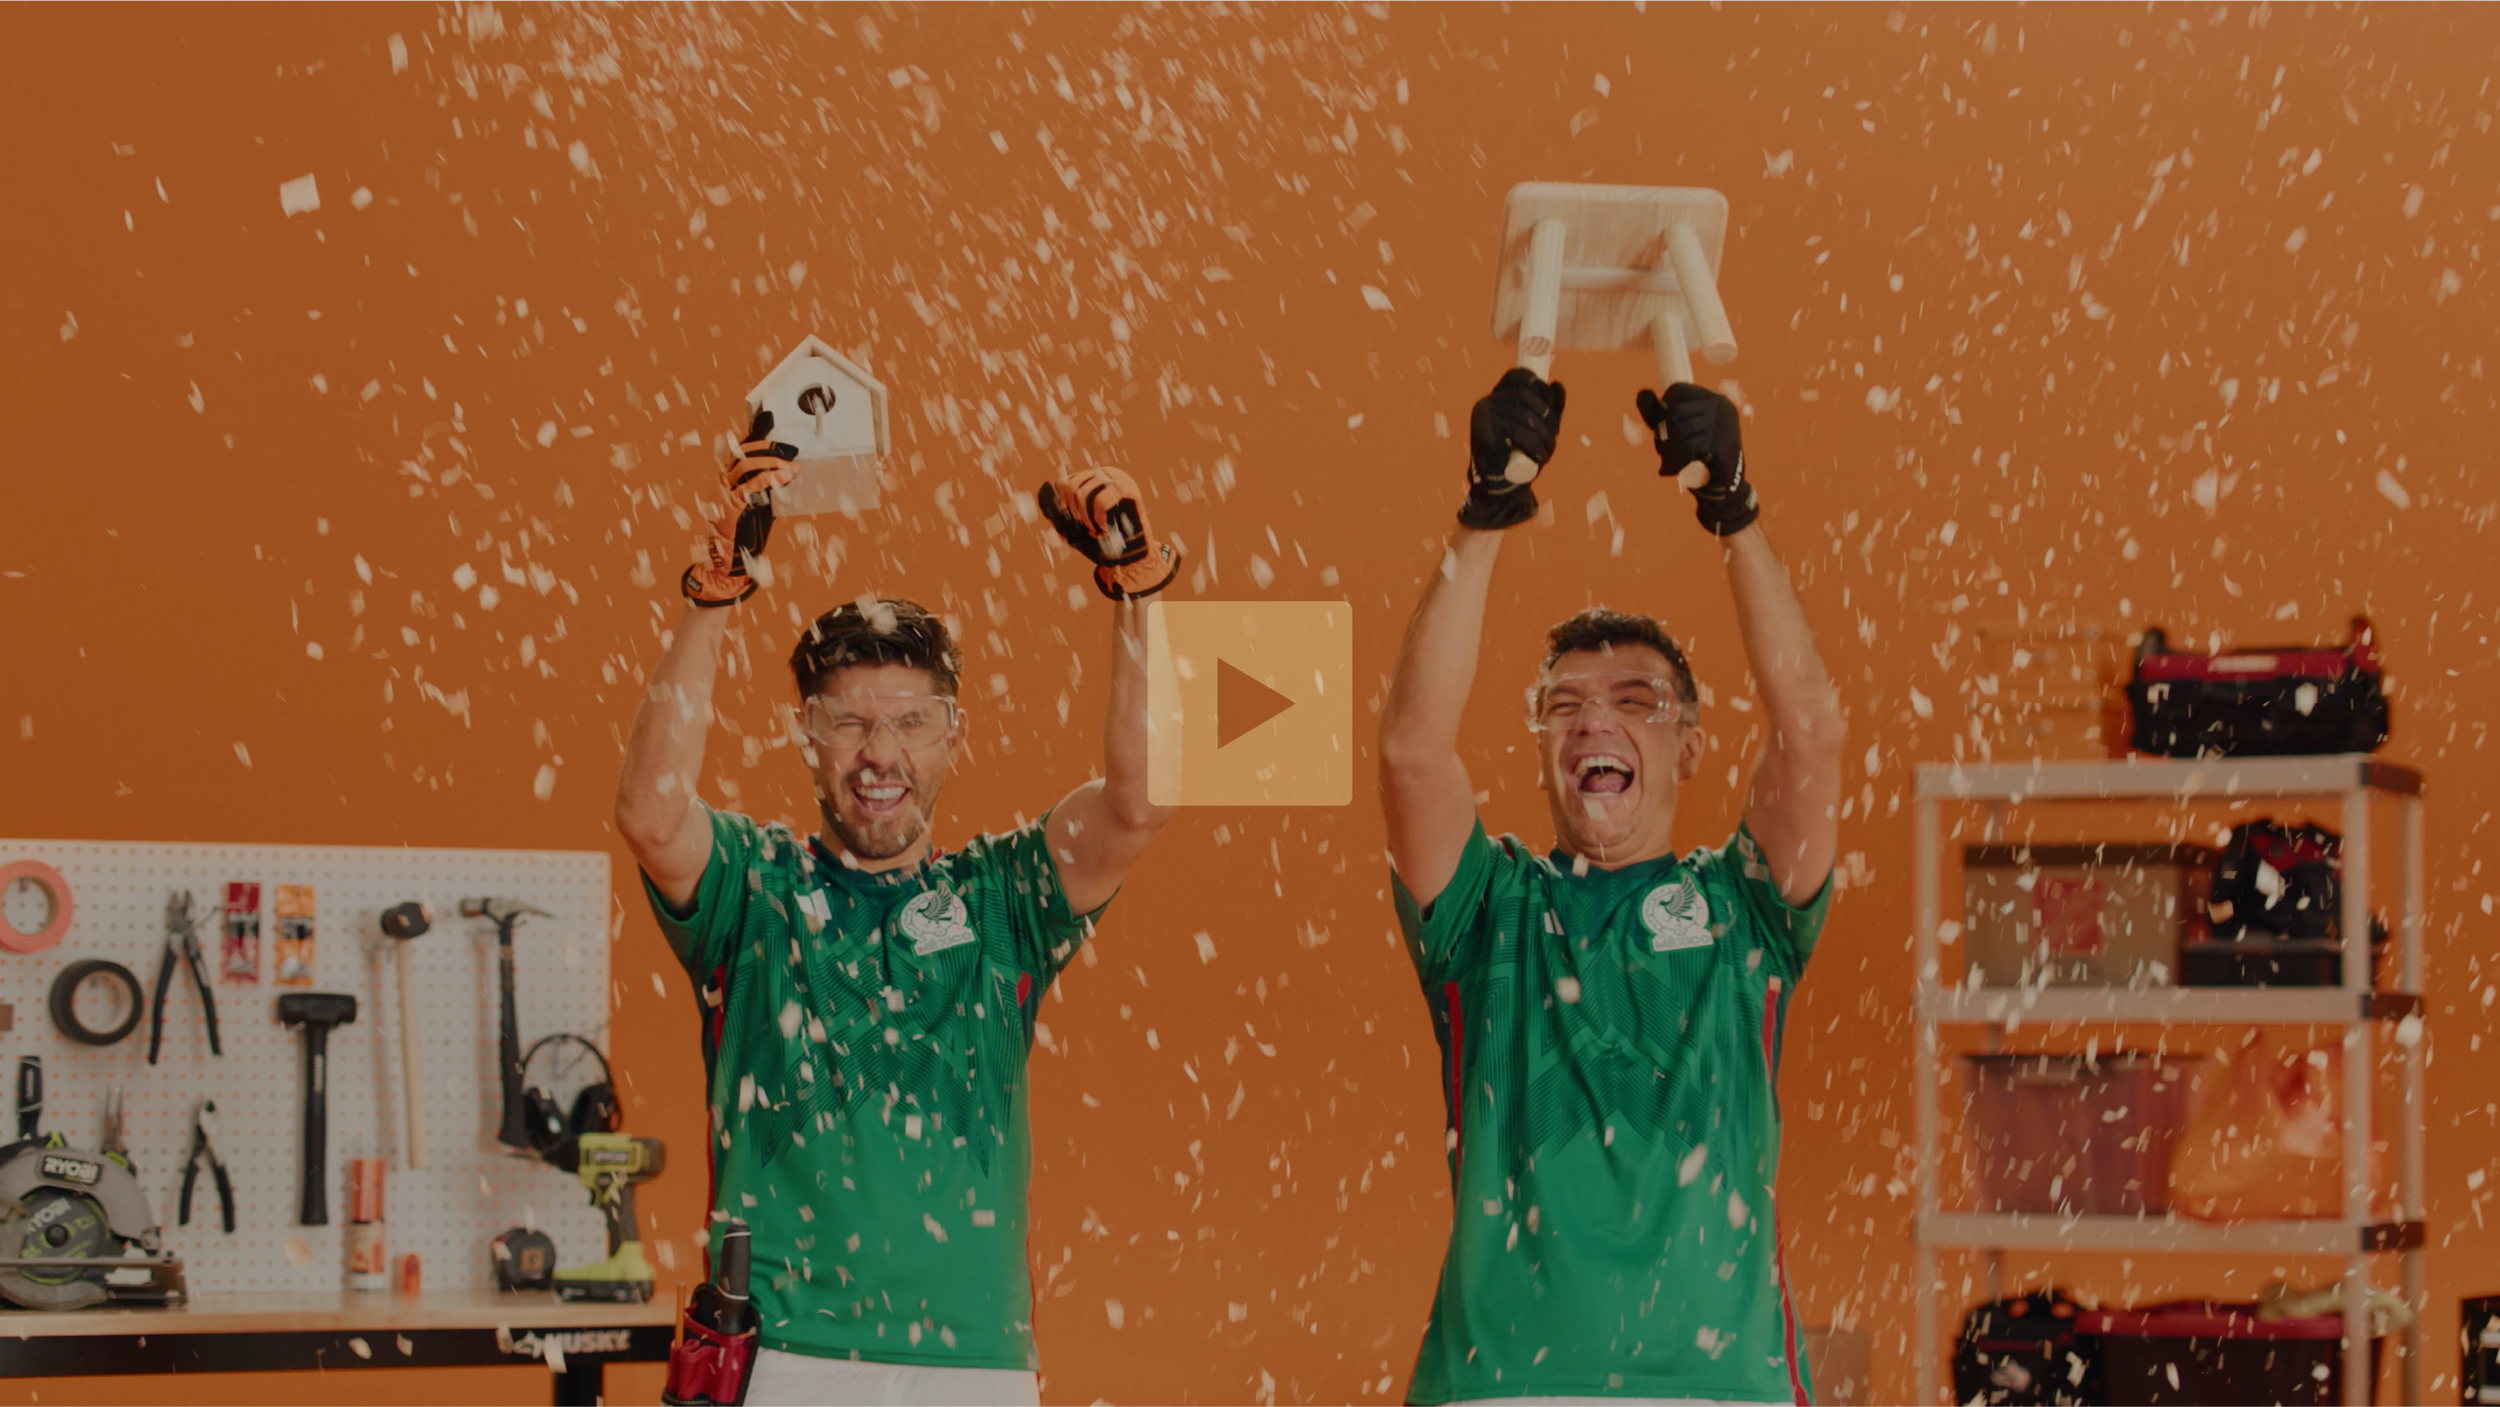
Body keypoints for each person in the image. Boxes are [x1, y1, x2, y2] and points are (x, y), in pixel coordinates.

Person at [614, 416, 1182, 1407]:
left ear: (952, 735)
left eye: (912, 722)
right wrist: (712, 599)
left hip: (971, 1368)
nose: (882, 754)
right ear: (807, 737)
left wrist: (1136, 597)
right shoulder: (755, 891)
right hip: (779, 1357)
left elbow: (1138, 806)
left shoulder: (1002, 898)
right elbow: (651, 812)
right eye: (850, 722)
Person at [1377, 371, 1845, 1406]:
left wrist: (1737, 517)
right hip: (1502, 1386)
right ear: (1542, 744)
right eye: (1565, 705)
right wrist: (1483, 515)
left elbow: (1809, 733)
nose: (1596, 721)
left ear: (1685, 746)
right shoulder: (1486, 911)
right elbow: (1412, 749)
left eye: (1636, 701)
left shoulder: (1746, 912)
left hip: (1722, 1389)